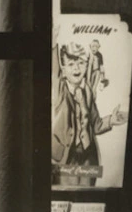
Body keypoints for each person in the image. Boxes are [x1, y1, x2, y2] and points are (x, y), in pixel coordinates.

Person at [52, 36, 127, 186]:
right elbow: (54, 71)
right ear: (64, 69)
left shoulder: (87, 91)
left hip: (88, 154)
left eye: (81, 63)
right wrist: (53, 43)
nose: (76, 68)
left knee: (87, 195)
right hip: (67, 155)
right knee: (69, 193)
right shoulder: (59, 89)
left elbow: (96, 124)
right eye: (71, 64)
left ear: (86, 66)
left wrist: (111, 120)